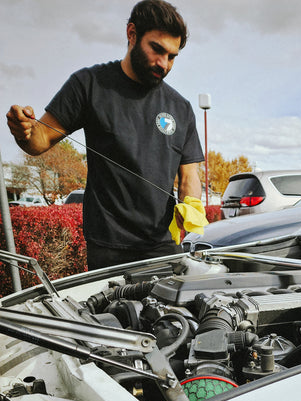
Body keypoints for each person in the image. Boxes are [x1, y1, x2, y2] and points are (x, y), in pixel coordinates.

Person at [6, 0, 203, 270]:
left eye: (172, 56)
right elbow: (39, 140)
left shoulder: (181, 107)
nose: (164, 63)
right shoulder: (88, 85)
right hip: (109, 247)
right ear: (131, 34)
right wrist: (23, 131)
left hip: (164, 245)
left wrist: (191, 205)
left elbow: (189, 174)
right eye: (157, 49)